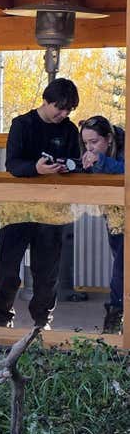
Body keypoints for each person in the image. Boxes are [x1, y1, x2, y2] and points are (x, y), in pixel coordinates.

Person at [0, 78, 81, 329]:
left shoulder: (70, 130)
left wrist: (68, 167)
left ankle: (42, 322)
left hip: (52, 210)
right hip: (16, 208)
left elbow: (76, 163)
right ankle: (1, 318)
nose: (63, 114)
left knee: (47, 273)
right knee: (8, 268)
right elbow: (12, 164)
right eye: (59, 108)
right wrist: (35, 168)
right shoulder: (22, 124)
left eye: (68, 110)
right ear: (46, 100)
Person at [80, 115, 125, 333]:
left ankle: (114, 319)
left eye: (94, 142)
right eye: (86, 143)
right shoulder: (94, 152)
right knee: (119, 258)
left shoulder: (125, 144)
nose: (89, 147)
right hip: (112, 210)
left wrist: (103, 162)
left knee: (122, 265)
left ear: (108, 138)